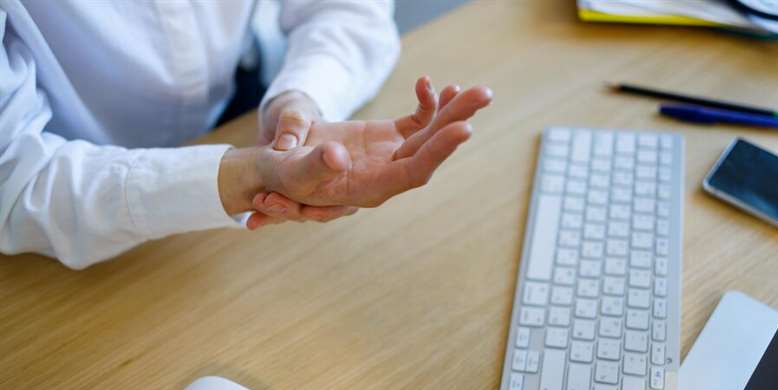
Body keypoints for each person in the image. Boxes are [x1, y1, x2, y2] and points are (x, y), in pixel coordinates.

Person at [0, 0, 491, 269]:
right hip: (66, 203)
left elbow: (345, 8)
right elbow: (15, 182)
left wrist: (299, 100)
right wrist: (242, 175)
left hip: (241, 112)